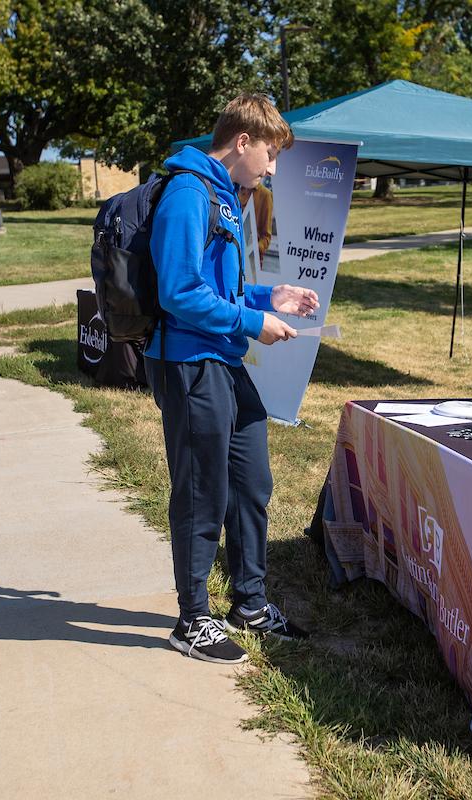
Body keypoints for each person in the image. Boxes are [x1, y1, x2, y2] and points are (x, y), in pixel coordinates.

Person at [146, 93, 319, 664]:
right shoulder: (188, 193)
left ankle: (248, 602)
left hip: (221, 358)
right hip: (189, 363)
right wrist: (252, 322)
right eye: (270, 154)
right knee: (201, 491)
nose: (272, 168)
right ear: (242, 142)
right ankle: (192, 618)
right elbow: (178, 293)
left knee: (251, 481)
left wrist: (273, 296)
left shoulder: (224, 195)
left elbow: (217, 290)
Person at [238, 181, 274, 255]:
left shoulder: (265, 195)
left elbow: (266, 237)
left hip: (250, 259)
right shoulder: (236, 189)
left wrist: (253, 249)